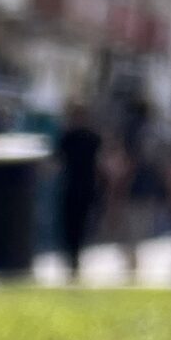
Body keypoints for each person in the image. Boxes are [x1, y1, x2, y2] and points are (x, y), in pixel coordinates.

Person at [56, 96, 104, 275]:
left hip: (83, 187)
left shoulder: (88, 138)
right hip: (74, 186)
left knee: (78, 224)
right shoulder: (73, 137)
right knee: (72, 224)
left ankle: (75, 257)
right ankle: (73, 257)